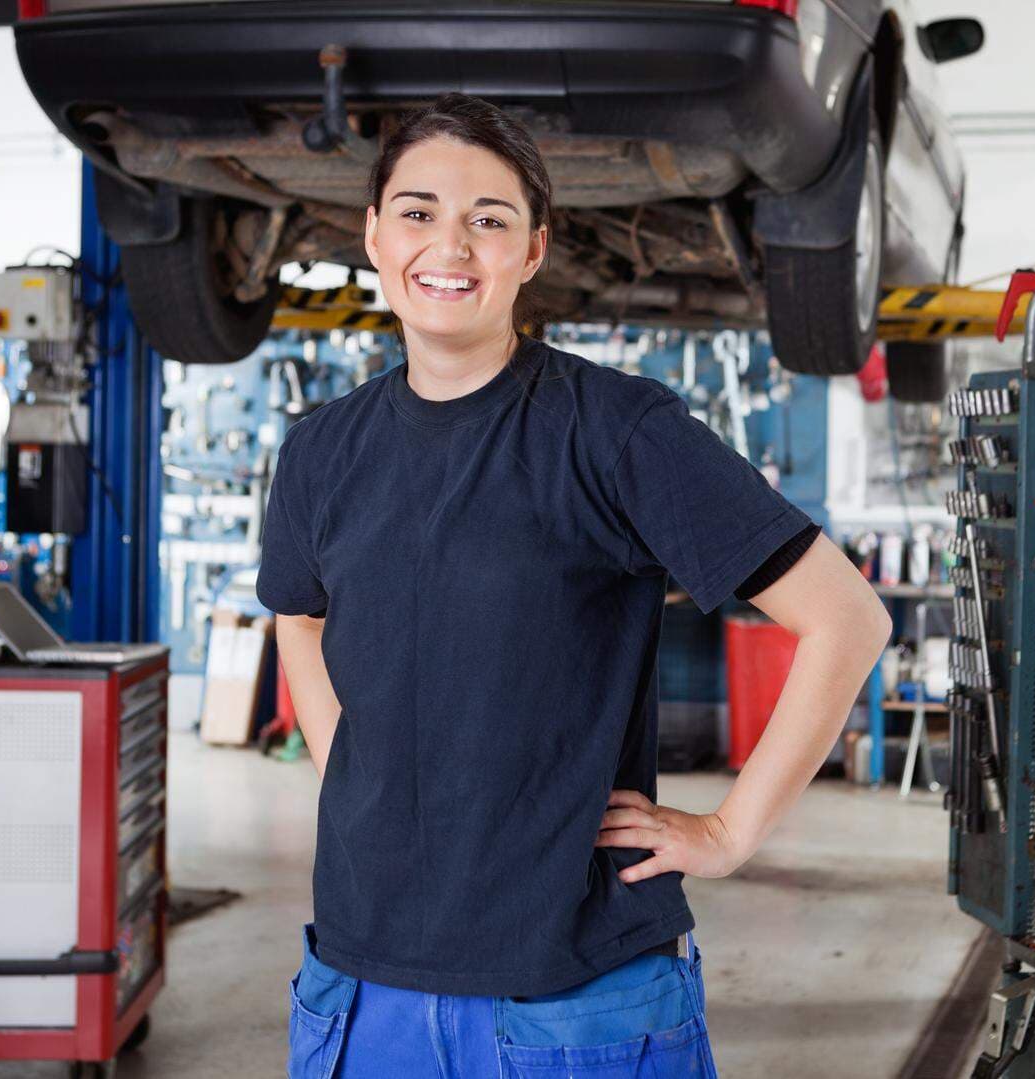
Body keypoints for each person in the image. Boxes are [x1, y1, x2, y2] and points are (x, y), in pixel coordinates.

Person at [261, 92, 893, 1078]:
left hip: (572, 995)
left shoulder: (615, 432)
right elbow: (299, 616)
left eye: (490, 219)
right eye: (420, 212)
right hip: (363, 980)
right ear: (375, 234)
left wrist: (729, 831)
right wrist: (357, 772)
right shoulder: (319, 452)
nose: (451, 246)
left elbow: (846, 618)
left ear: (533, 249)